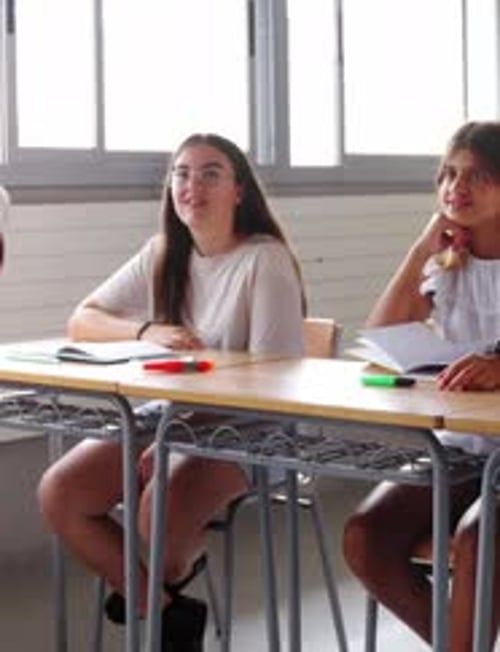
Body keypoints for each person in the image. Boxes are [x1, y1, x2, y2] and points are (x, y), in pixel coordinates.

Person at [37, 133, 305, 652]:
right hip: (174, 417)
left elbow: (277, 381)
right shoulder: (163, 253)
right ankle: (163, 608)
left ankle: (155, 588)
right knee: (61, 493)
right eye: (181, 173)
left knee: (156, 508)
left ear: (239, 191)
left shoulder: (264, 259)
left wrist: (176, 440)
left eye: (210, 174)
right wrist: (145, 333)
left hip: (256, 428)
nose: (191, 185)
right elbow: (82, 318)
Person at [342, 120, 500, 652]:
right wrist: (419, 250)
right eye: (449, 174)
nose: (458, 187)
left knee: (479, 540)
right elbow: (385, 337)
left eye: (479, 175)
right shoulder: (447, 263)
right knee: (366, 538)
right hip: (458, 449)